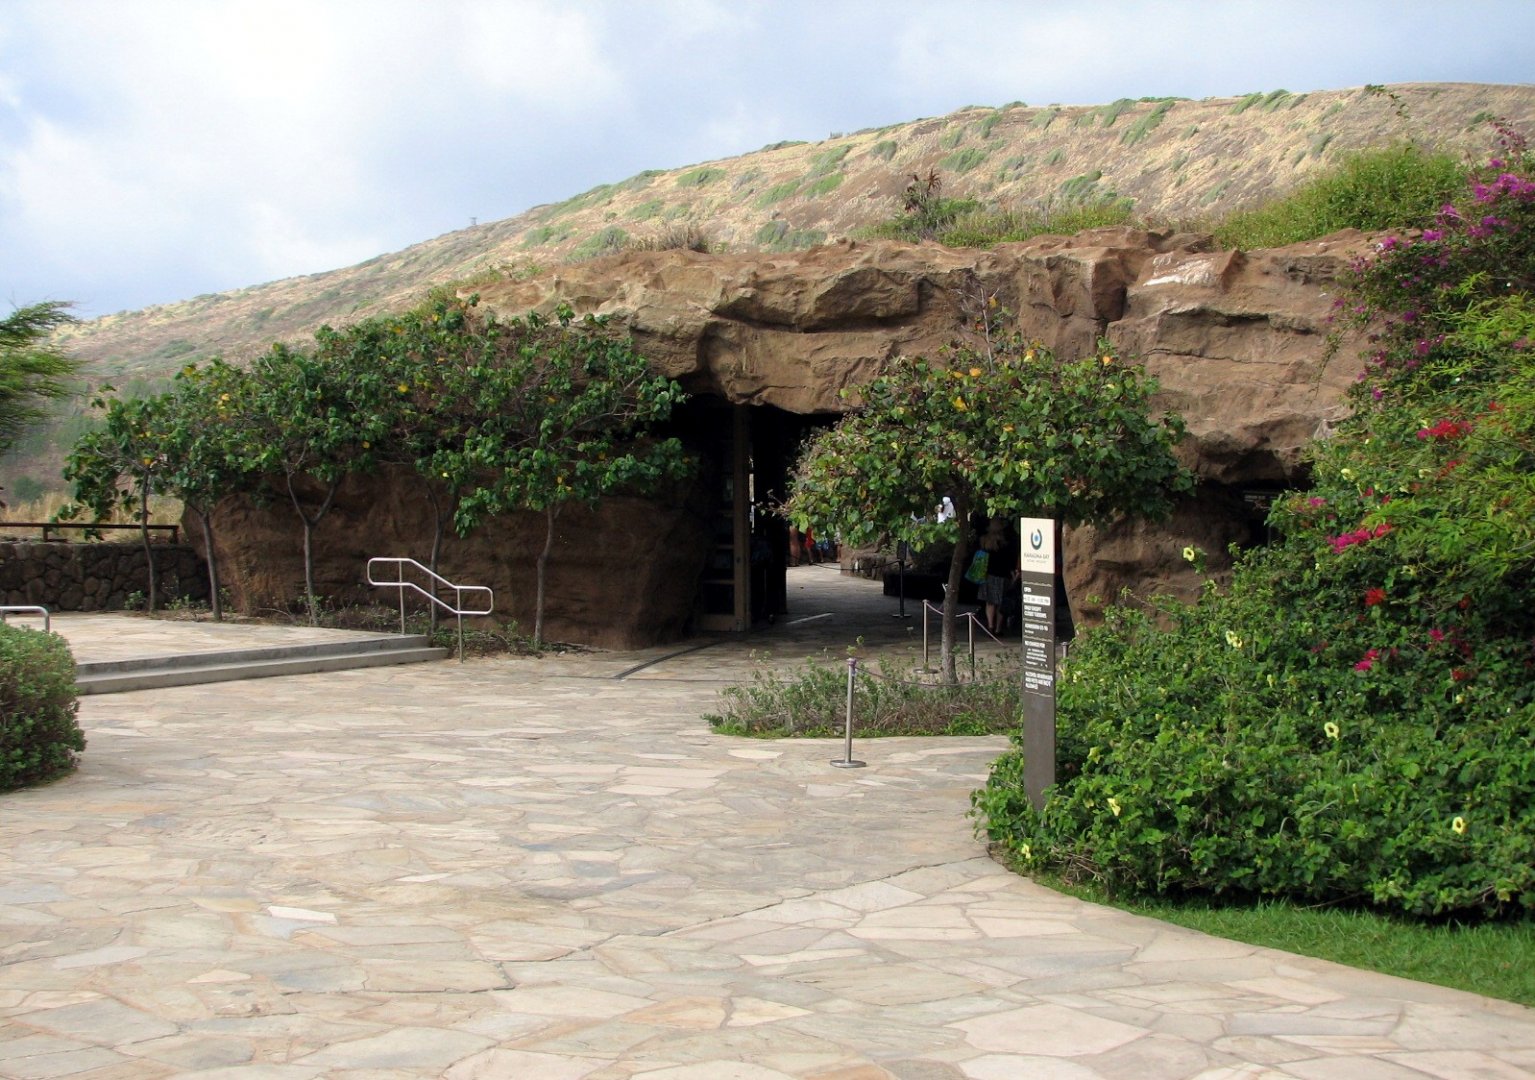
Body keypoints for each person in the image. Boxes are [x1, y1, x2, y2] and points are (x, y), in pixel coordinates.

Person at [979, 518, 1019, 636]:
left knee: (990, 602)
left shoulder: (984, 541)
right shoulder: (1005, 541)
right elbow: (1010, 559)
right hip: (1003, 575)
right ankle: (998, 628)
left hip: (988, 574)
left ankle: (990, 625)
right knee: (1001, 603)